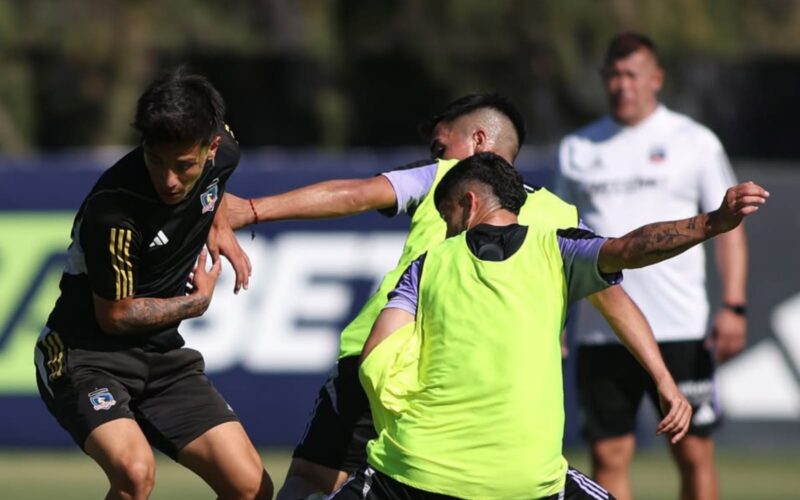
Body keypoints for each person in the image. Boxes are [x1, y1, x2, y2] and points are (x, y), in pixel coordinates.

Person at [221, 93, 688, 498]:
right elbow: (615, 298)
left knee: (313, 480)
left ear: (478, 142)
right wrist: (662, 379)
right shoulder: (557, 217)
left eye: (441, 146)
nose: (436, 156)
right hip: (468, 384)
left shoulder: (444, 177)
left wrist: (255, 209)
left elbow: (355, 194)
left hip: (383, 363)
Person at [330, 153, 766, 500]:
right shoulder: (558, 249)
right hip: (527, 483)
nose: (447, 232)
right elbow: (631, 249)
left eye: (447, 218)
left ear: (469, 203)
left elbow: (375, 361)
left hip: (412, 474)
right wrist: (713, 223)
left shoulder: (428, 265)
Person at [33, 68, 272, 499]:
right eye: (155, 160)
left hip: (161, 360)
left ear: (212, 147)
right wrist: (194, 304)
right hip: (84, 356)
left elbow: (214, 184)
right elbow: (116, 315)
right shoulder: (115, 211)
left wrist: (216, 221)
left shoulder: (226, 153)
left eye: (183, 166)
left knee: (250, 488)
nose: (168, 180)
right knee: (135, 473)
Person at [555, 33, 748, 500]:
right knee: (609, 455)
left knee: (694, 450)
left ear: (655, 79)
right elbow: (559, 236)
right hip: (603, 328)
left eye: (632, 74)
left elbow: (729, 230)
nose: (622, 85)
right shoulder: (578, 147)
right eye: (613, 75)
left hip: (679, 325)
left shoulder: (694, 141)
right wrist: (558, 319)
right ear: (604, 79)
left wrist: (734, 306)